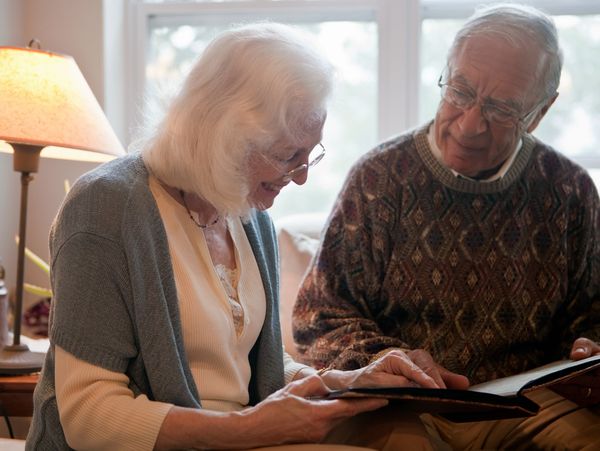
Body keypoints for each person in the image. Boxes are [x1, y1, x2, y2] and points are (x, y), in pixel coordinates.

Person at [25, 23, 440, 451]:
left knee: (413, 435)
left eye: (310, 154)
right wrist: (251, 429)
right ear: (225, 137)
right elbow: (88, 416)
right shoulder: (105, 208)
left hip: (240, 437)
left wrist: (344, 381)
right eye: (287, 156)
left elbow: (253, 368)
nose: (300, 178)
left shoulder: (247, 213)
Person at [293, 3, 600, 449]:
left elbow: (592, 312)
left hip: (530, 406)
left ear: (538, 112)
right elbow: (318, 318)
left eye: (499, 109)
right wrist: (386, 358)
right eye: (460, 91)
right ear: (446, 72)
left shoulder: (568, 189)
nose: (470, 124)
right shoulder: (380, 179)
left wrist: (589, 347)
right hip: (408, 405)